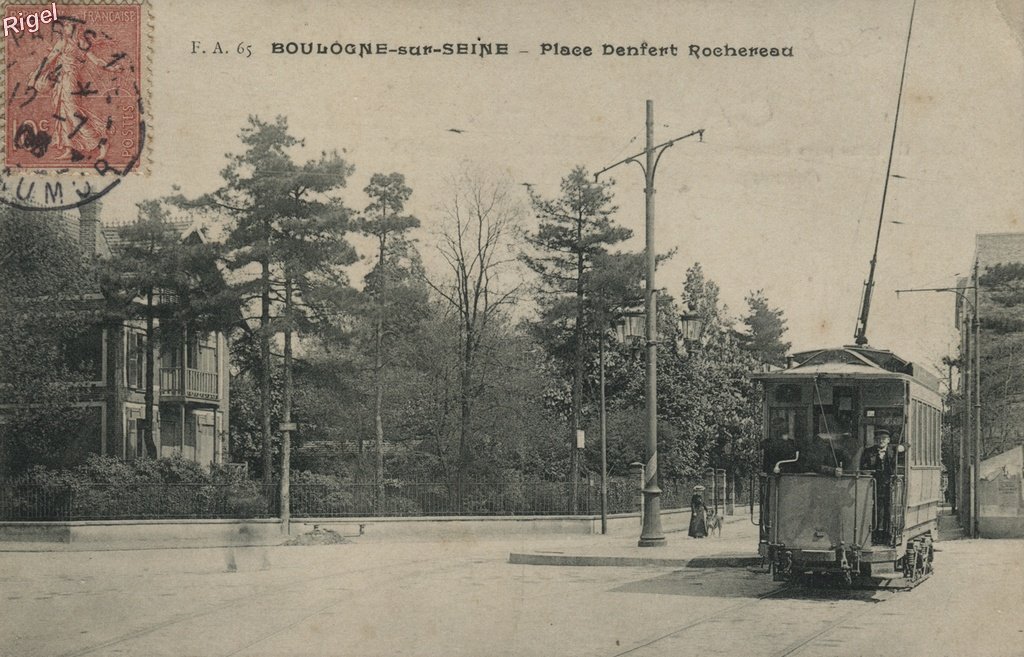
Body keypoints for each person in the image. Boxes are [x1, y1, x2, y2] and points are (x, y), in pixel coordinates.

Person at [861, 430, 897, 542]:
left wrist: (902, 448)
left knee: (888, 509)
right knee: (875, 508)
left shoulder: (893, 451)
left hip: (888, 486)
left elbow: (907, 445)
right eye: (879, 439)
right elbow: (863, 467)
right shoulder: (868, 451)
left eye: (884, 438)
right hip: (873, 484)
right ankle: (874, 533)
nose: (881, 441)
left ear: (888, 441)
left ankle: (887, 533)